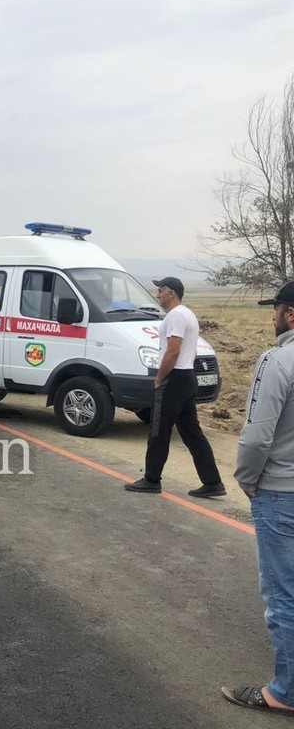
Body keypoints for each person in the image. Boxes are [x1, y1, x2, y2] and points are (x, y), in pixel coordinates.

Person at [222, 281, 294, 716]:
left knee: (284, 594)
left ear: (291, 314)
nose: (273, 317)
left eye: (277, 309)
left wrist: (248, 480)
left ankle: (285, 693)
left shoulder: (278, 360)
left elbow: (256, 436)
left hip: (282, 492)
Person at [124, 277, 225, 497]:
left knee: (158, 430)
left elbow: (173, 350)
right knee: (191, 432)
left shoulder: (176, 316)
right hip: (187, 376)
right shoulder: (187, 313)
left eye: (161, 290)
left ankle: (151, 479)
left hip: (174, 378)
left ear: (171, 293)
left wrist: (160, 377)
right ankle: (212, 482)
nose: (158, 294)